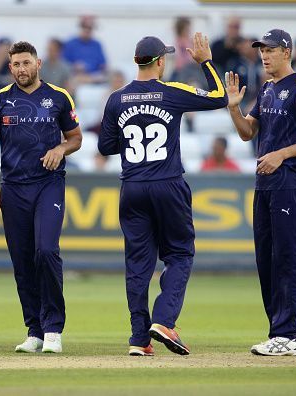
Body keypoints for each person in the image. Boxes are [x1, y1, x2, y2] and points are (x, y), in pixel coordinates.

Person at [98, 33, 228, 357]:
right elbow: (219, 97)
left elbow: (104, 147)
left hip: (132, 188)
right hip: (168, 184)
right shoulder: (170, 93)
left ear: (136, 62)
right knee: (181, 254)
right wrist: (205, 62)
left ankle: (139, 339)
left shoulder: (116, 99)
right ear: (160, 62)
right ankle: (164, 321)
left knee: (138, 265)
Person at [225, 29, 296, 356]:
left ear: (286, 51)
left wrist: (282, 153)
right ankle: (280, 332)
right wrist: (233, 108)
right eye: (261, 50)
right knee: (267, 262)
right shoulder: (269, 88)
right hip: (266, 186)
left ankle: (289, 334)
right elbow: (247, 133)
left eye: (270, 50)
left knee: (287, 260)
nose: (264, 55)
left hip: (291, 185)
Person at [0, 41, 82, 354]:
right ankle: (34, 330)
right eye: (16, 65)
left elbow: (75, 138)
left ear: (38, 64)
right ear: (9, 68)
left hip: (49, 184)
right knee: (23, 262)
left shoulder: (59, 97)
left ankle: (53, 329)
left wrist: (60, 148)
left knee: (46, 251)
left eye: (27, 63)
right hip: (13, 188)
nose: (22, 69)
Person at [62, 15, 107, 83]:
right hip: (75, 77)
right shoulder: (70, 43)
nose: (87, 30)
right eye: (85, 27)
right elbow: (62, 63)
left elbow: (103, 64)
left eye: (90, 28)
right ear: (80, 27)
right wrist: (74, 66)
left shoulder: (97, 45)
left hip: (93, 77)